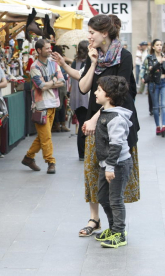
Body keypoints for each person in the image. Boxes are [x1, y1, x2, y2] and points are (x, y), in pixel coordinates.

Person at [78, 14, 140, 237]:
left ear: (104, 33)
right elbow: (84, 88)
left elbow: (121, 94)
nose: (89, 36)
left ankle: (116, 224)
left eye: (92, 32)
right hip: (93, 118)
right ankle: (94, 219)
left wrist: (95, 118)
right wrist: (93, 62)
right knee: (92, 170)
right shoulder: (93, 55)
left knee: (112, 169)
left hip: (116, 120)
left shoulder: (124, 56)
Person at [94, 75, 133, 248]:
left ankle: (119, 232)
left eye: (99, 90)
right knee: (103, 197)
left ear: (108, 96)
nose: (95, 92)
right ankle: (113, 227)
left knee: (115, 199)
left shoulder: (116, 118)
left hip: (117, 165)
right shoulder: (105, 113)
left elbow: (116, 145)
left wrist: (110, 166)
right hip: (107, 164)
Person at [21, 39, 64, 174]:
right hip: (41, 106)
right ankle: (51, 162)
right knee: (46, 137)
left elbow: (62, 81)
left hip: (53, 103)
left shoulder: (54, 64)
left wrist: (49, 83)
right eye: (47, 48)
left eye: (50, 48)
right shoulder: (34, 67)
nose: (50, 50)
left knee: (44, 136)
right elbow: (41, 86)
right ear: (39, 50)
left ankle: (28, 157)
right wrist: (54, 81)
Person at [52, 40, 90, 160]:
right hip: (85, 97)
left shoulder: (75, 62)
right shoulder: (87, 63)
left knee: (81, 125)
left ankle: (82, 153)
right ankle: (84, 153)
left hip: (76, 96)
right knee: (86, 125)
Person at [140, 39, 165, 134]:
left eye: (160, 45)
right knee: (155, 107)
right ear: (153, 47)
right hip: (153, 84)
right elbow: (150, 69)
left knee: (163, 105)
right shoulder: (150, 58)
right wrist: (160, 62)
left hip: (163, 82)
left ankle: (163, 126)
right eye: (157, 45)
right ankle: (158, 126)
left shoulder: (164, 56)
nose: (159, 46)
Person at [51, 45, 70, 133]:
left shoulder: (52, 60)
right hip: (63, 85)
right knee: (62, 105)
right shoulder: (63, 58)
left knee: (56, 104)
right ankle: (63, 124)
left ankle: (57, 125)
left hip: (56, 83)